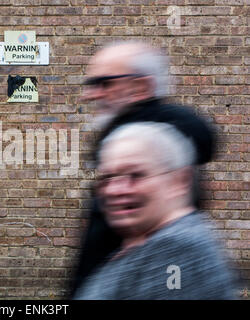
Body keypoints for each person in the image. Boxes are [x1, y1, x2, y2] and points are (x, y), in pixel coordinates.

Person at [71, 41, 216, 295]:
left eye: (105, 83)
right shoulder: (119, 131)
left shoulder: (160, 134)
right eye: (110, 177)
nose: (91, 95)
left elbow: (202, 136)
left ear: (141, 86)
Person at [73, 122, 237, 299]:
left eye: (136, 175)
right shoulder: (149, 243)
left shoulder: (176, 251)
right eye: (107, 178)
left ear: (179, 181)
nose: (114, 190)